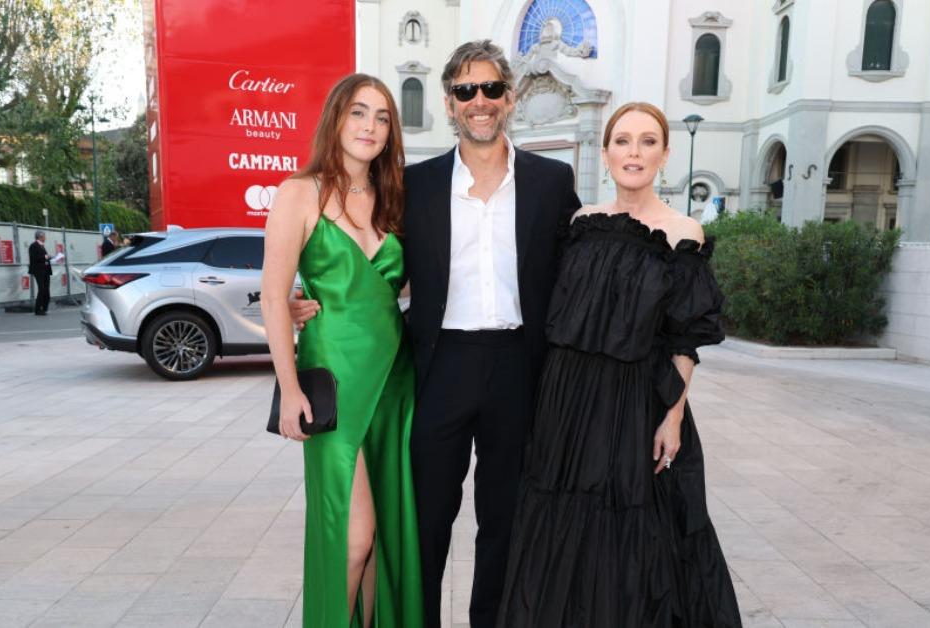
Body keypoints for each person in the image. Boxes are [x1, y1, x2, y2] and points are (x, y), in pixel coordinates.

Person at [289, 40, 580, 628]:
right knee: (421, 521)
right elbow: (362, 256)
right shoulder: (412, 185)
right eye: (466, 90)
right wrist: (310, 300)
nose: (480, 101)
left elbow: (581, 268)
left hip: (519, 368)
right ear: (450, 103)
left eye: (492, 88)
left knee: (506, 520)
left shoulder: (552, 181)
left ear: (510, 97)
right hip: (436, 368)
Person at [497, 102, 742, 627]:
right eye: (623, 141)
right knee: (558, 523)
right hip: (564, 399)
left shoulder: (684, 232)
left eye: (648, 141)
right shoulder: (581, 223)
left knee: (630, 529)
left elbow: (684, 338)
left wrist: (673, 416)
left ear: (665, 154)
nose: (635, 152)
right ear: (605, 153)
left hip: (633, 400)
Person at [262, 73, 423, 628]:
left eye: (382, 117)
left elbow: (395, 287)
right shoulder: (299, 192)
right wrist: (288, 391)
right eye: (359, 112)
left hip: (395, 380)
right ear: (336, 117)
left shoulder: (393, 199)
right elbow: (271, 294)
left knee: (385, 540)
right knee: (353, 539)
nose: (370, 126)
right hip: (333, 380)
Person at [28, 231, 53, 316]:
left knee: (46, 289)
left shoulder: (42, 246)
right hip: (38, 271)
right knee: (41, 289)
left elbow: (44, 258)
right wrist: (46, 257)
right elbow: (35, 258)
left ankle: (44, 308)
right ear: (40, 237)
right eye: (44, 236)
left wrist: (49, 258)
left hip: (45, 270)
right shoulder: (34, 246)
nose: (45, 238)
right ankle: (38, 309)